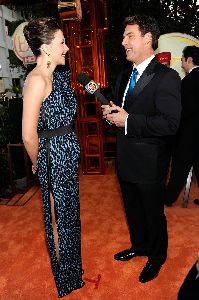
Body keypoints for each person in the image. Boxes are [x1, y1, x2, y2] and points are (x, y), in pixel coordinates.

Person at [102, 14, 181, 283]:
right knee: (133, 211)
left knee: (152, 214)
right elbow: (124, 112)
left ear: (148, 39)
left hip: (150, 162)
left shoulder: (167, 77)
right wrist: (112, 115)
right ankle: (140, 246)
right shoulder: (124, 75)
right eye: (124, 36)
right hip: (125, 159)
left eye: (129, 36)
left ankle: (157, 256)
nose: (123, 42)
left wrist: (128, 120)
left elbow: (170, 124)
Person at [22, 18, 84, 297]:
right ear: (46, 48)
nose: (67, 48)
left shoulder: (58, 76)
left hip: (67, 153)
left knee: (70, 215)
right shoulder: (36, 81)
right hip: (52, 157)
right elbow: (28, 135)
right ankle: (66, 276)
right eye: (62, 42)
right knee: (59, 218)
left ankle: (73, 267)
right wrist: (38, 163)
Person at [165, 46, 199, 206]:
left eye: (182, 59)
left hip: (188, 134)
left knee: (179, 168)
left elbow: (185, 109)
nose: (181, 62)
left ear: (189, 60)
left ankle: (168, 198)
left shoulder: (188, 82)